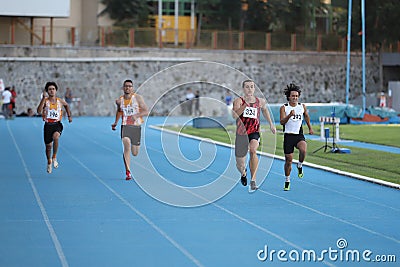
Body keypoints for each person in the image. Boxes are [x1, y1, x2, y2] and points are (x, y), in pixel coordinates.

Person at [232, 79, 276, 191]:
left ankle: (253, 180)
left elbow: (265, 110)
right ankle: (243, 173)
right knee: (240, 164)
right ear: (243, 89)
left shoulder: (260, 101)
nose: (249, 89)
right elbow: (234, 116)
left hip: (254, 132)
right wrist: (245, 106)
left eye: (252, 86)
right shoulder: (238, 101)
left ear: (254, 88)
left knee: (253, 150)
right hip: (241, 134)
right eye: (247, 87)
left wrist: (271, 124)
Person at [111, 79, 149, 180]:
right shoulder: (120, 100)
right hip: (125, 126)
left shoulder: (138, 98)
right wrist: (115, 122)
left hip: (136, 127)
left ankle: (134, 144)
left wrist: (137, 115)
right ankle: (128, 171)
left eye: (129, 86)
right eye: (126, 86)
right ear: (123, 88)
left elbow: (146, 111)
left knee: (135, 153)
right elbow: (119, 112)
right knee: (126, 144)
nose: (127, 88)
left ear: (132, 88)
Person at [279, 83, 313, 191]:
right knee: (288, 160)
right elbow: (281, 122)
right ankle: (287, 180)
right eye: (293, 96)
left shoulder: (302, 107)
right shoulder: (284, 108)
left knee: (303, 150)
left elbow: (306, 116)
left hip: (299, 135)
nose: (295, 98)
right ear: (289, 96)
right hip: (288, 136)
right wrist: (289, 115)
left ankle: (300, 165)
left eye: (297, 96)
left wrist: (310, 128)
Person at [37, 82, 72, 174]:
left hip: (57, 124)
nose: (51, 91)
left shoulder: (59, 101)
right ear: (47, 91)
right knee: (48, 147)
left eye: (53, 89)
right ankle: (49, 161)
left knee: (56, 137)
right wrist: (43, 100)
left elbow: (67, 105)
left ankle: (54, 156)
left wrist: (69, 116)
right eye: (50, 89)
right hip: (48, 125)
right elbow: (38, 111)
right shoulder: (45, 101)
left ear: (56, 90)